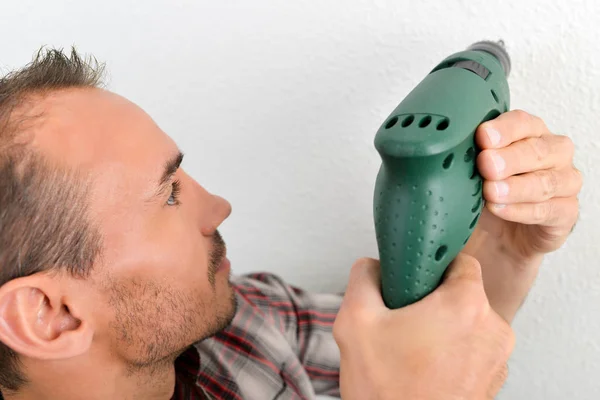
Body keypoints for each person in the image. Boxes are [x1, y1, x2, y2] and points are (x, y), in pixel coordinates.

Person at [0, 48, 581, 400]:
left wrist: (501, 253)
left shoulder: (251, 326)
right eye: (169, 194)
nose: (218, 206)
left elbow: (437, 352)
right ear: (49, 315)